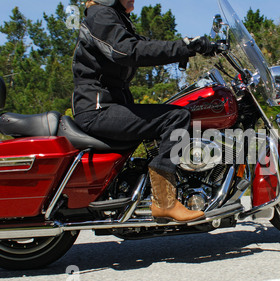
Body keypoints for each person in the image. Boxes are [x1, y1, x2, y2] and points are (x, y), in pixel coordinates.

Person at [72, 0, 216, 222]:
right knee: (176, 117)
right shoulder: (100, 15)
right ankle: (164, 201)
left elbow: (146, 46)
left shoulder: (114, 19)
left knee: (173, 113)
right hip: (97, 110)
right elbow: (128, 51)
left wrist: (189, 47)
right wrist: (186, 46)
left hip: (109, 106)